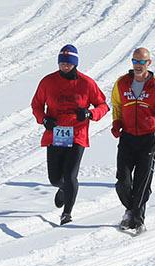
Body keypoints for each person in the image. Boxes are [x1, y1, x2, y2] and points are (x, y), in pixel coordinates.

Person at [30, 45, 109, 225]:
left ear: (75, 64)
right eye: (62, 63)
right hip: (55, 133)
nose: (65, 66)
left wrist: (89, 114)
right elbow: (36, 105)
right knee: (55, 178)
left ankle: (66, 214)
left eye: (68, 63)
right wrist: (43, 119)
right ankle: (64, 189)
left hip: (77, 134)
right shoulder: (47, 82)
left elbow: (103, 106)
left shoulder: (87, 83)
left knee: (70, 175)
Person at [110, 46, 155, 233]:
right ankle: (132, 210)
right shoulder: (121, 83)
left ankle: (136, 219)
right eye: (135, 61)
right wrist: (116, 122)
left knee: (142, 182)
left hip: (148, 138)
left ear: (149, 63)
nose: (138, 65)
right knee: (123, 181)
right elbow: (117, 105)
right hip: (128, 137)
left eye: (142, 62)